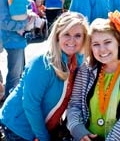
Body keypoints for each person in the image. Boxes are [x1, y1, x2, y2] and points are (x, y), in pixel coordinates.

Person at [66, 10, 120, 141]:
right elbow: (75, 105)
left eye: (107, 42)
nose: (102, 50)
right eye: (96, 44)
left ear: (118, 42)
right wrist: (78, 130)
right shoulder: (86, 69)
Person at [0, 12, 89, 141]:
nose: (72, 40)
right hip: (19, 128)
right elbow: (31, 104)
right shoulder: (43, 62)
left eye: (78, 35)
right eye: (66, 34)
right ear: (58, 36)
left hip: (43, 127)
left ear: (84, 38)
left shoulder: (77, 61)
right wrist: (43, 137)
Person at [0, 0, 29, 99]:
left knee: (19, 74)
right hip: (11, 40)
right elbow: (3, 22)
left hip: (18, 40)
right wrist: (25, 23)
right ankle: (9, 107)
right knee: (14, 76)